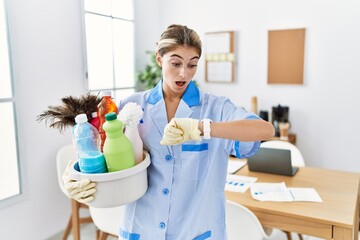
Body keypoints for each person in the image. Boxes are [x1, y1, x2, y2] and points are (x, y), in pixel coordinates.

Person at [63, 24, 274, 240]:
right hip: (141, 229)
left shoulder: (215, 108)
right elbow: (103, 152)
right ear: (159, 59)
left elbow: (265, 130)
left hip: (195, 231)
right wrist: (75, 175)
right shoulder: (131, 106)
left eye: (192, 65)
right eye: (176, 63)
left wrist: (202, 128)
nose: (184, 73)